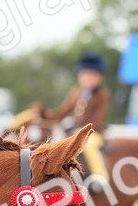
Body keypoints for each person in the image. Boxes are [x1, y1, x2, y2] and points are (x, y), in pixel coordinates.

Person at [40, 52, 111, 187]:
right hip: (75, 132)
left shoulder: (103, 95)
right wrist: (45, 116)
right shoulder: (75, 92)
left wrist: (82, 130)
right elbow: (61, 112)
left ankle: (101, 177)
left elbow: (98, 119)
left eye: (92, 76)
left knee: (90, 145)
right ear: (79, 76)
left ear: (100, 78)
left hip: (94, 133)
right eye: (85, 75)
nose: (88, 79)